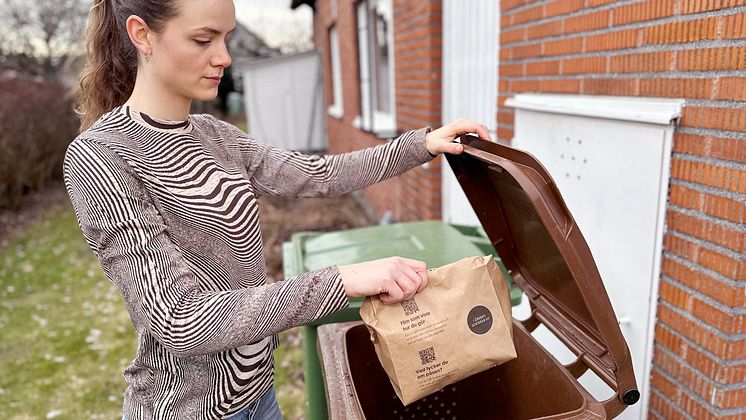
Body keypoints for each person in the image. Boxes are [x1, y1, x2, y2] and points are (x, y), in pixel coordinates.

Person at [64, 0, 492, 419]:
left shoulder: (216, 135)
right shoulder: (101, 157)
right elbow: (180, 319)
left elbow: (320, 173)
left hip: (260, 397)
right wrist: (342, 281)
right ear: (142, 35)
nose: (224, 57)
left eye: (226, 37)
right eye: (203, 39)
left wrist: (422, 144)